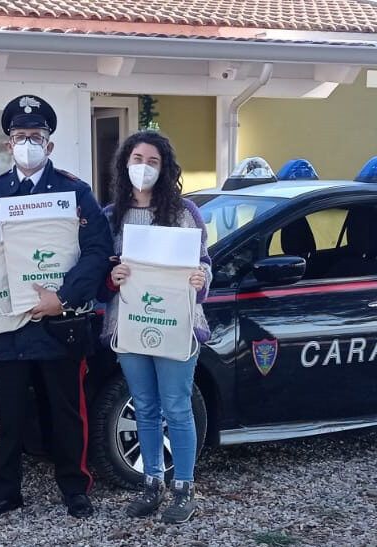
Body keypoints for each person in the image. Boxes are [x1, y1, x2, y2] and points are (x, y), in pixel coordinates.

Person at [0, 95, 113, 519]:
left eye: (36, 137)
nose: (27, 144)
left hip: (58, 323)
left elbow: (96, 251)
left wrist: (62, 298)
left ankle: (75, 489)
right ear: (6, 145)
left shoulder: (74, 192)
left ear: (49, 145)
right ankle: (5, 493)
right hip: (9, 326)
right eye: (19, 137)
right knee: (7, 412)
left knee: (66, 410)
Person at [100, 131, 211, 524]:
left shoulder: (185, 213)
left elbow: (204, 262)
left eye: (152, 161)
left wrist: (201, 279)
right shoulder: (112, 214)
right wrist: (112, 275)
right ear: (123, 164)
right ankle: (152, 484)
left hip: (177, 325)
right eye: (136, 159)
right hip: (129, 326)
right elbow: (101, 271)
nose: (142, 167)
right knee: (144, 406)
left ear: (164, 169)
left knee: (177, 408)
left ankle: (184, 488)